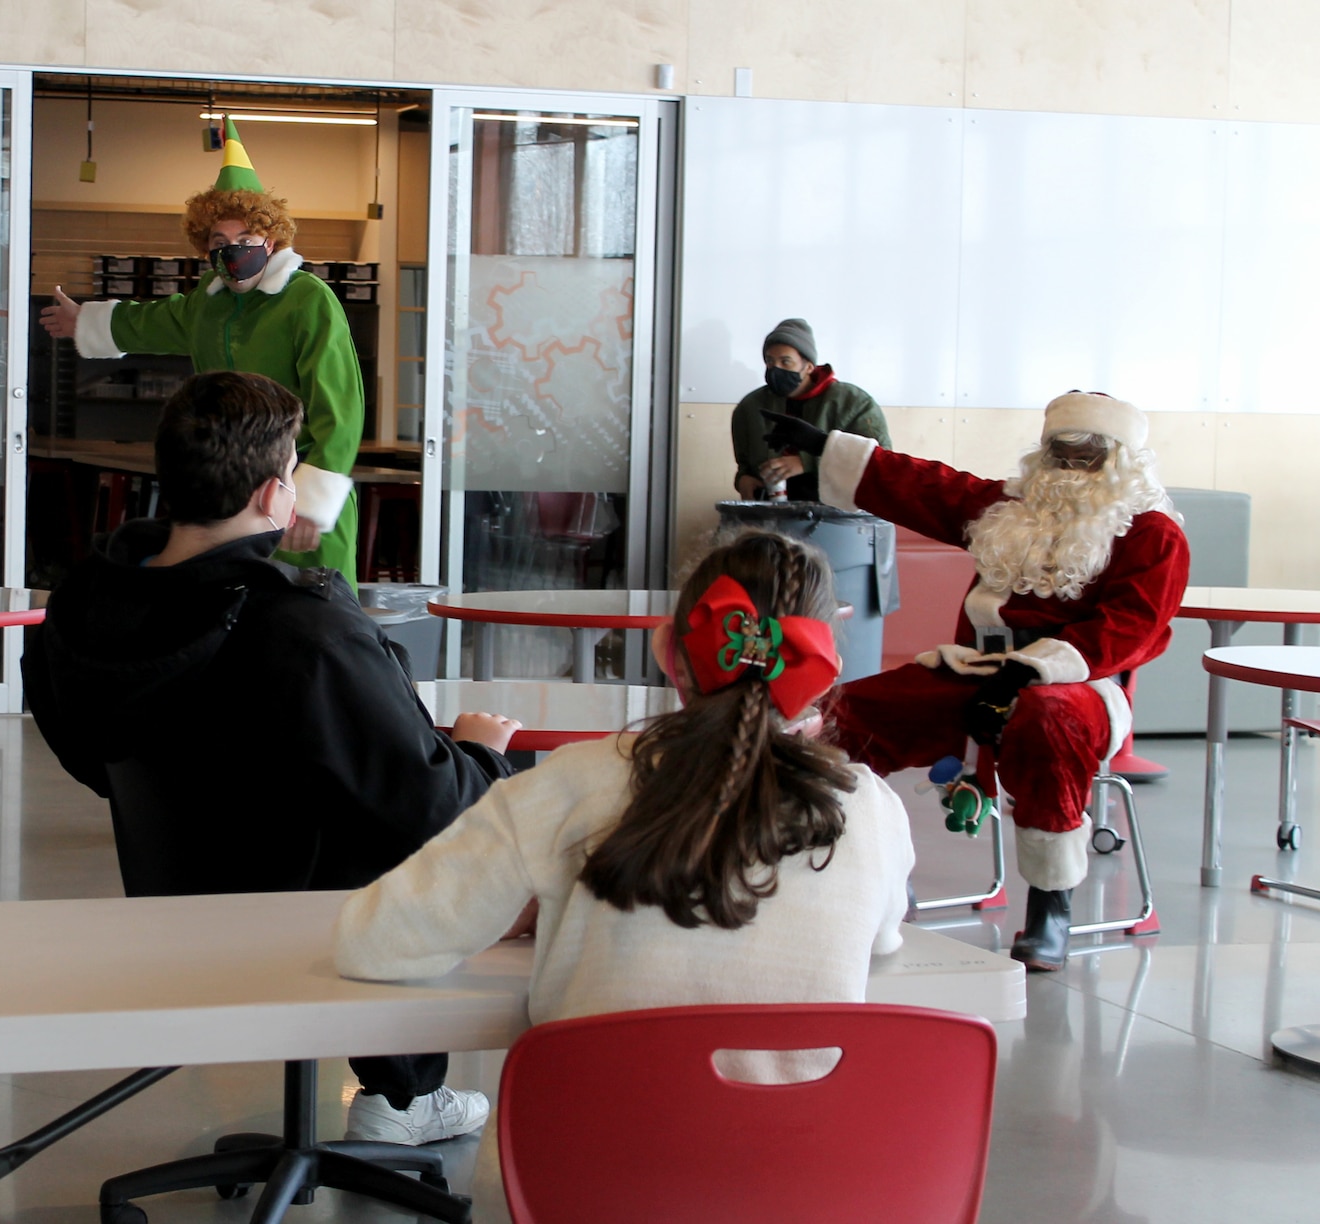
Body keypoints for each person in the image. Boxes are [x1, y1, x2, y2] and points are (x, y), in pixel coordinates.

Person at [24, 370, 518, 1145]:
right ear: (270, 494)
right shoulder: (305, 630)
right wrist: (481, 753)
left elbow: (87, 752)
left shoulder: (85, 597)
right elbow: (432, 809)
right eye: (290, 475)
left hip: (171, 904)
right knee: (460, 811)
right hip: (305, 923)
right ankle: (403, 1096)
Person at [335, 531, 914, 1078]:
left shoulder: (571, 782)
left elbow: (374, 943)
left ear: (668, 648)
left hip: (575, 1175)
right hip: (799, 1176)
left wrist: (553, 901)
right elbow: (883, 942)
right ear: (822, 676)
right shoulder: (870, 808)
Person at [763, 391, 1188, 971]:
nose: (1068, 469)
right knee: (842, 717)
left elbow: (1128, 629)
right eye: (1058, 452)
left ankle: (1050, 906)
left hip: (1079, 688)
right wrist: (824, 449)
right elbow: (928, 486)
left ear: (1121, 460)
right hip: (974, 671)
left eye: (1086, 456)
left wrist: (1029, 672)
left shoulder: (1152, 534)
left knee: (1048, 721)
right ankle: (825, 867)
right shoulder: (1009, 508)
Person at [38, 118, 364, 585]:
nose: (232, 252)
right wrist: (86, 321)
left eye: (245, 241)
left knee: (314, 614)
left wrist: (314, 497)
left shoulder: (307, 300)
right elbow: (152, 320)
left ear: (269, 241)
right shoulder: (206, 305)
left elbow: (341, 407)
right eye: (219, 243)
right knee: (223, 609)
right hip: (225, 496)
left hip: (294, 490)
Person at [730, 317, 888, 502]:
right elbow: (745, 464)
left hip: (837, 516)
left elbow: (877, 460)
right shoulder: (750, 407)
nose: (775, 369)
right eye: (770, 361)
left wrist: (807, 463)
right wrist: (742, 480)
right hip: (773, 516)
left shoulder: (853, 403)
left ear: (809, 367)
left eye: (786, 361)